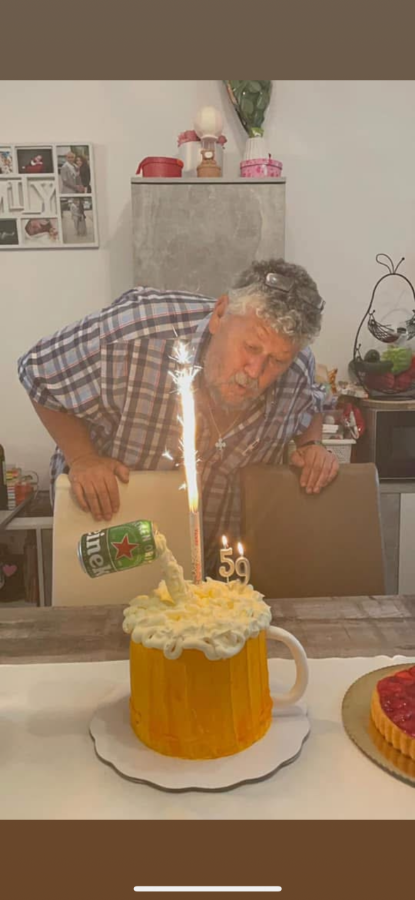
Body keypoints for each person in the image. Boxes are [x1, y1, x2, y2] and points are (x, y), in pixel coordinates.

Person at [18, 259, 339, 575]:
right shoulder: (133, 333)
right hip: (114, 541)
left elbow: (311, 400)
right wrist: (83, 457)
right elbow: (37, 371)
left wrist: (311, 444)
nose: (255, 372)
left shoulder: (297, 368)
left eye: (277, 361)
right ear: (220, 314)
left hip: (218, 562)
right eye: (251, 348)